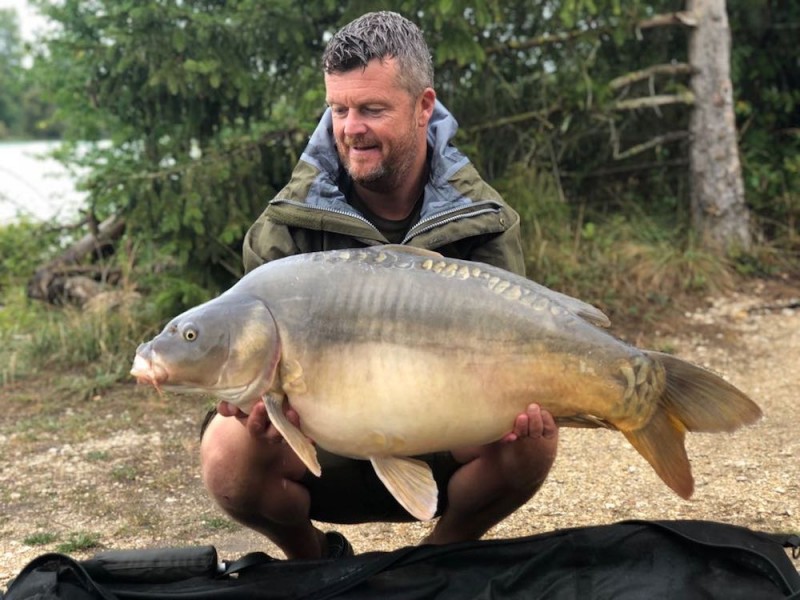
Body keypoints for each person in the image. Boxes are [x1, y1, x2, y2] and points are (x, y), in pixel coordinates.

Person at [200, 11, 559, 560]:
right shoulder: (286, 225)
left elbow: (512, 349)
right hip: (324, 448)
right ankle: (311, 558)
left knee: (533, 440)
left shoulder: (485, 219)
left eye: (371, 109)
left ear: (423, 107)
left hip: (443, 438)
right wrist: (258, 414)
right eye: (338, 109)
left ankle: (440, 554)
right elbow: (247, 356)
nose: (350, 128)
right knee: (225, 448)